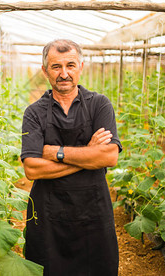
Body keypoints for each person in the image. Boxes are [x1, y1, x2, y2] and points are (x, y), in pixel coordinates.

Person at [21, 39, 122, 275]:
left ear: (81, 67)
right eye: (56, 67)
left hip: (93, 212)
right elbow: (32, 169)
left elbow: (109, 157)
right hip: (48, 214)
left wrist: (54, 152)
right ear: (45, 71)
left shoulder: (99, 105)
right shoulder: (34, 112)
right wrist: (88, 156)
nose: (64, 73)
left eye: (70, 65)